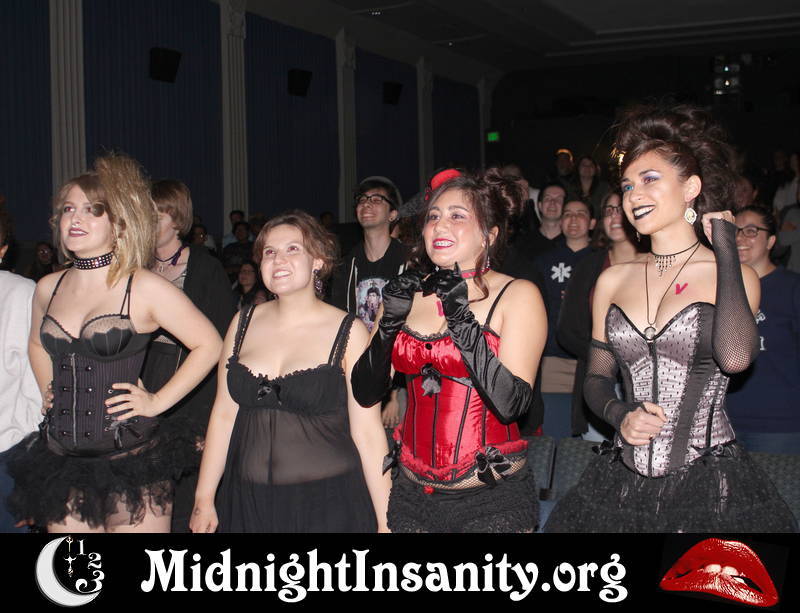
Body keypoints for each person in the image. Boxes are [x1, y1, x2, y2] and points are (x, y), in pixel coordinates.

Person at [544, 105, 797, 532]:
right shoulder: (612, 279)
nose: (633, 195)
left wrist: (727, 251)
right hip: (623, 476)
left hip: (709, 478)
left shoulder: (734, 273)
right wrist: (620, 413)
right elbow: (596, 377)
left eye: (649, 179)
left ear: (690, 187)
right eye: (627, 186)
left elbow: (735, 359)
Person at [7, 153, 223, 533]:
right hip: (62, 459)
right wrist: (47, 390)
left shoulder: (143, 287)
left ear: (119, 224)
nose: (76, 218)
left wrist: (157, 401)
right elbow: (37, 345)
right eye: (69, 209)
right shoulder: (47, 287)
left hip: (131, 460)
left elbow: (210, 344)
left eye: (93, 210)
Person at [351, 168, 547, 532]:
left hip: (492, 500)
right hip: (411, 495)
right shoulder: (404, 294)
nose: (440, 225)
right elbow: (365, 393)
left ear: (489, 235)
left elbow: (512, 405)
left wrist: (459, 316)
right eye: (434, 217)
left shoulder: (517, 295)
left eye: (457, 216)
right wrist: (389, 324)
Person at [190, 210, 389, 533]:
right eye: (269, 252)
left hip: (328, 506)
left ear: (318, 260)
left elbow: (368, 433)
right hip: (247, 503)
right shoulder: (242, 323)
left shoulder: (349, 332)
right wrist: (203, 497)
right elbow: (223, 415)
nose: (278, 259)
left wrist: (386, 522)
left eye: (292, 249)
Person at [140, 179, 234, 532]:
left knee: (186, 498)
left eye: (157, 215)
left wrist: (209, 421)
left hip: (192, 390)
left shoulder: (205, 267)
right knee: (148, 495)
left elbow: (223, 346)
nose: (148, 222)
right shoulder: (136, 267)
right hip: (145, 383)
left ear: (177, 219)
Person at [557, 191, 642, 441]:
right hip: (600, 385)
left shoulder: (658, 264)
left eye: (620, 209)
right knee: (599, 458)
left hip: (649, 382)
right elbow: (567, 331)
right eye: (609, 211)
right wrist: (604, 357)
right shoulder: (589, 265)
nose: (615, 216)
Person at [329, 176, 409, 429]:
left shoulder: (408, 261)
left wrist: (394, 393)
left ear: (393, 214)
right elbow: (340, 322)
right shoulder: (347, 265)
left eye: (377, 199)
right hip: (357, 369)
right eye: (362, 199)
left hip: (401, 375)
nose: (367, 204)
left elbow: (413, 327)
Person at [726, 206, 800, 454]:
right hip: (725, 422)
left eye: (751, 231)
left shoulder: (792, 288)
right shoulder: (720, 287)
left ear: (770, 241)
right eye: (734, 231)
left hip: (780, 426)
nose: (739, 238)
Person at [536, 198, 595, 440]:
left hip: (594, 363)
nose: (573, 219)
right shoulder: (543, 261)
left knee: (592, 445)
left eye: (581, 214)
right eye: (568, 214)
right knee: (555, 437)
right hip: (554, 361)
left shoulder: (602, 259)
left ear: (592, 223)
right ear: (561, 222)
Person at [0, 202, 41, 532]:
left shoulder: (22, 294)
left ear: (2, 249)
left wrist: (31, 472)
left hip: (8, 456)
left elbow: (36, 388)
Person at [572, 155, 610, 219]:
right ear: (578, 168)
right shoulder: (569, 188)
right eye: (584, 165)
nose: (587, 167)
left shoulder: (604, 188)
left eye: (591, 165)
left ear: (595, 169)